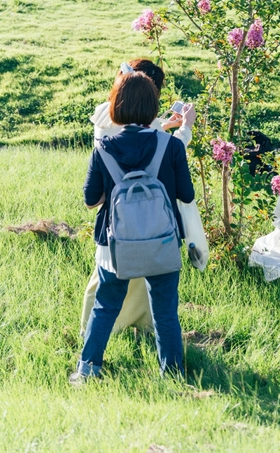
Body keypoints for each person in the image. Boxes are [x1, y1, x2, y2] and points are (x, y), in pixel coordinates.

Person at [70, 70, 195, 383]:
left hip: (114, 243)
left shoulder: (104, 147)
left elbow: (90, 201)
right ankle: (174, 375)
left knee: (106, 305)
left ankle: (87, 371)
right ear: (153, 107)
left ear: (117, 104)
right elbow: (186, 195)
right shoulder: (172, 146)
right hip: (163, 241)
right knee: (165, 310)